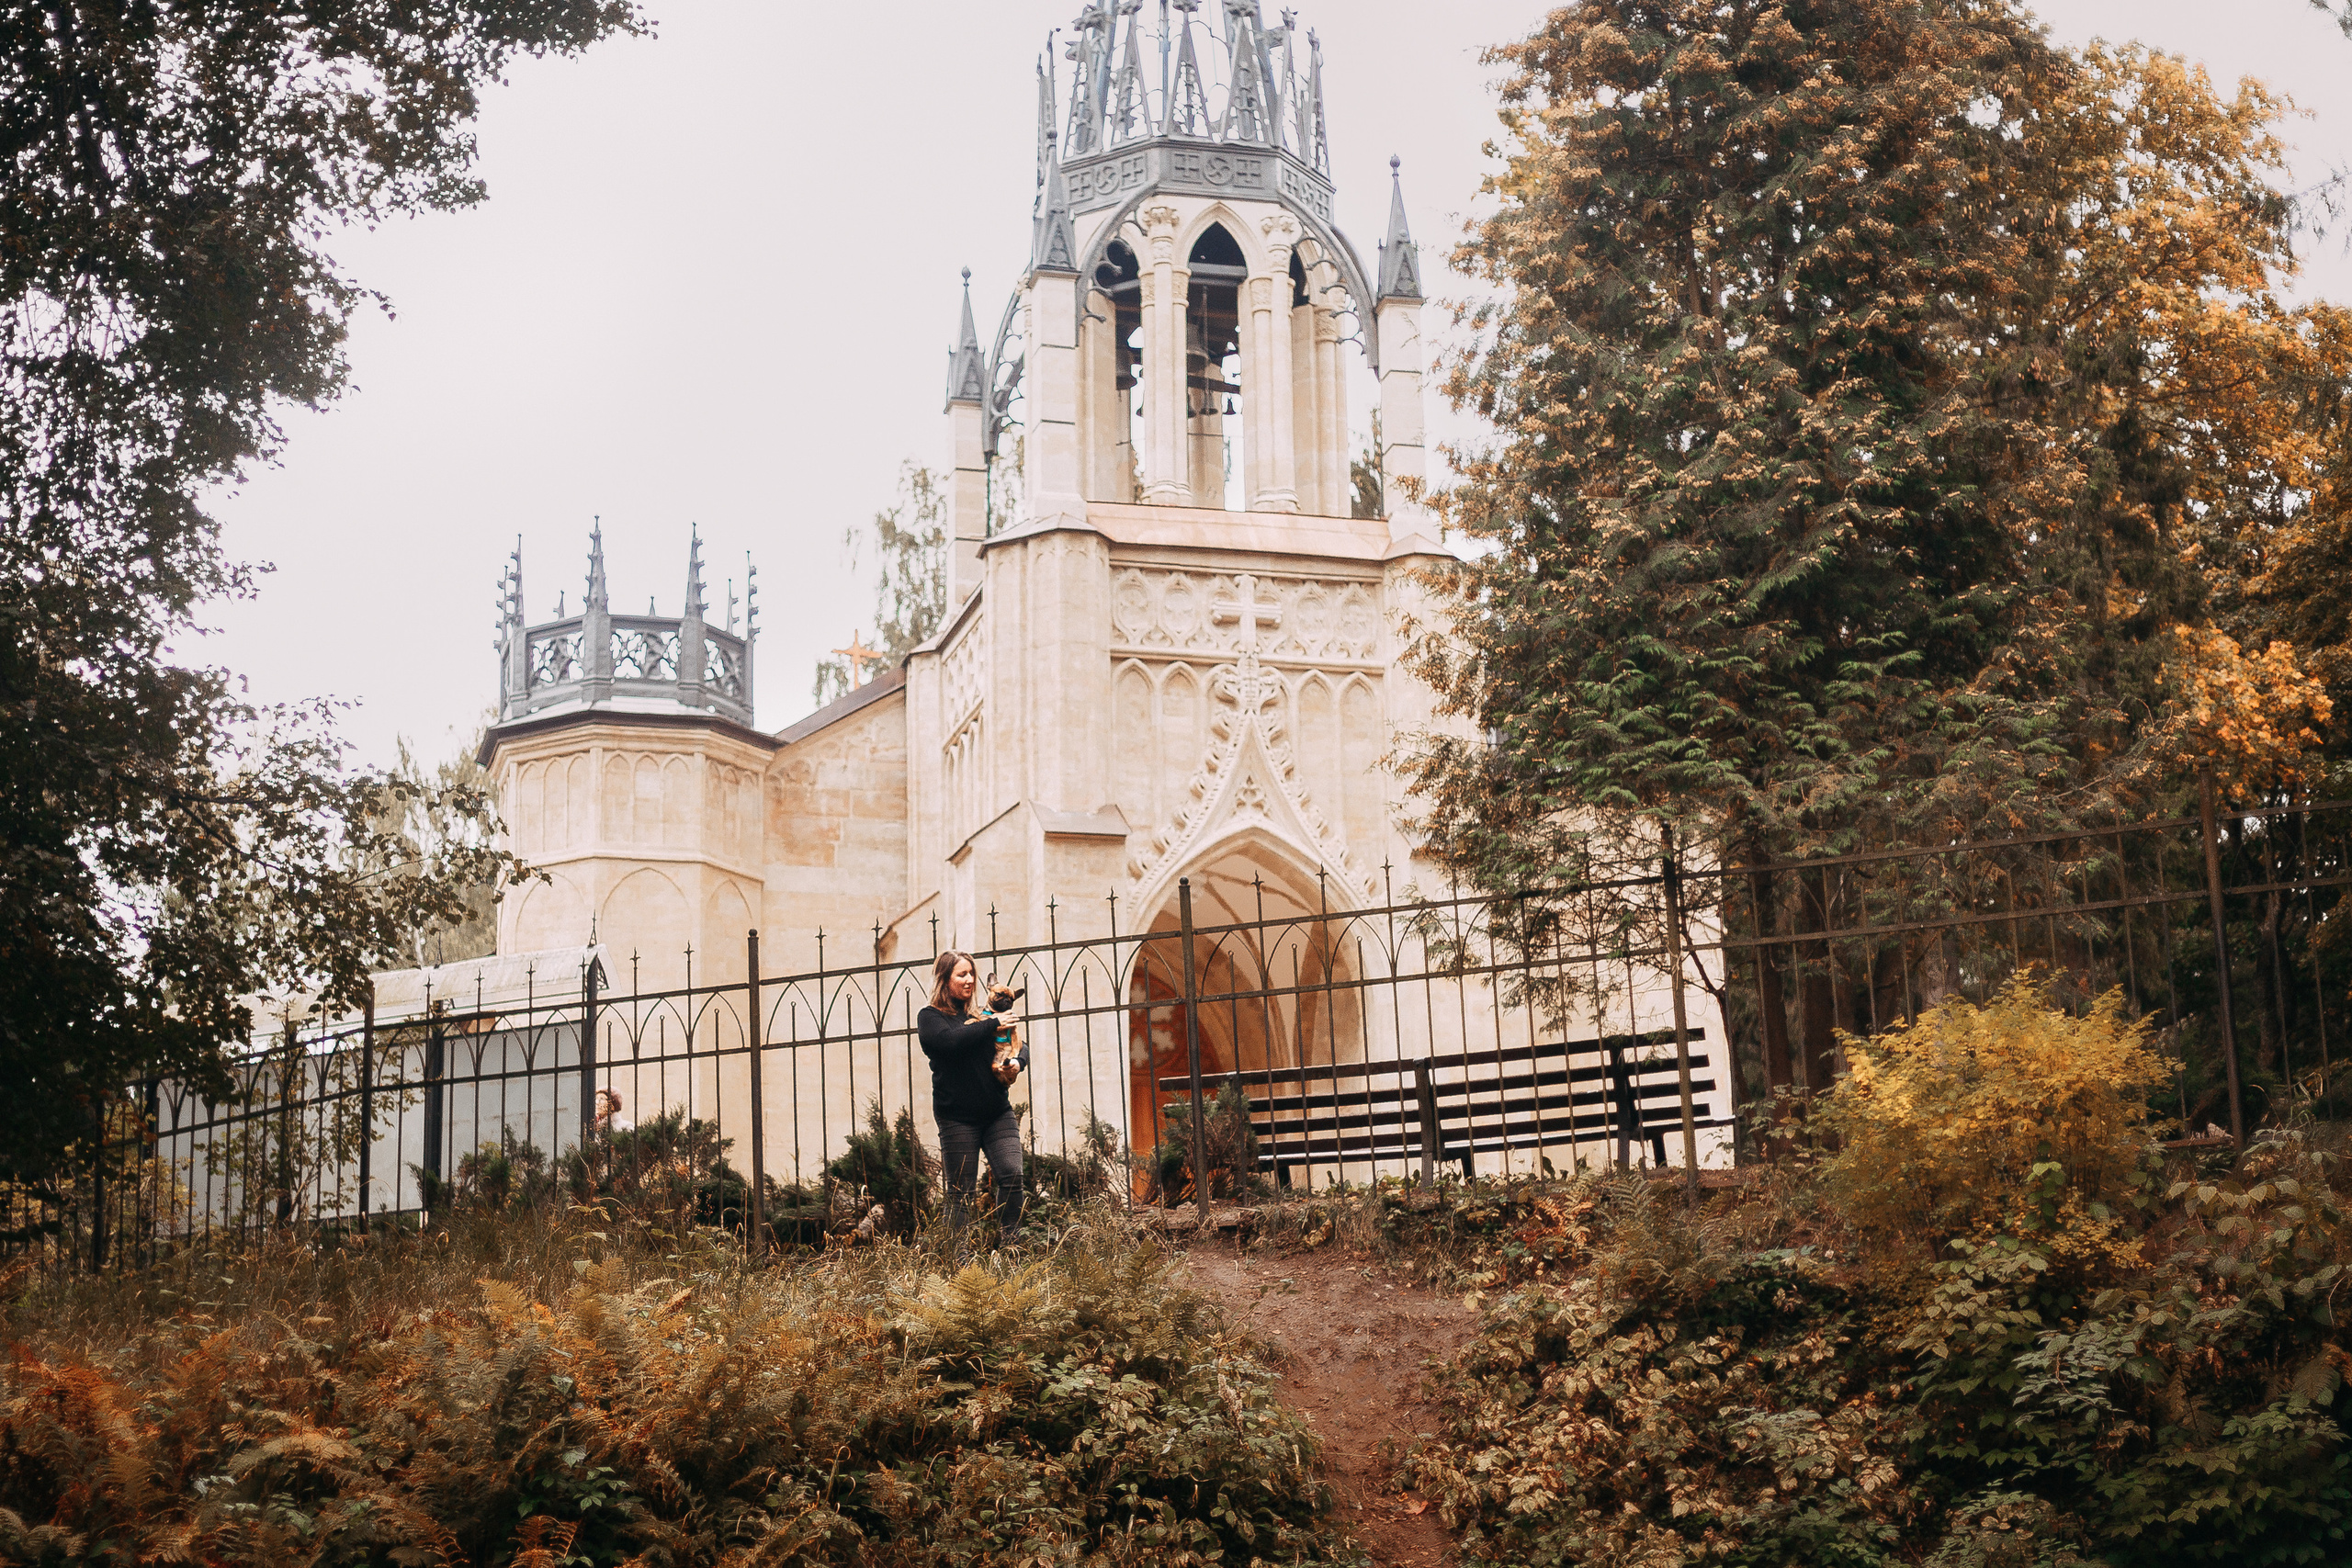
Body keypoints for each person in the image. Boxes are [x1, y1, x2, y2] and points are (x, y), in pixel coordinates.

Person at [919, 950, 1025, 1241]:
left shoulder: (981, 1015)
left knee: (1012, 1174)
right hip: (958, 1118)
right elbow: (950, 1042)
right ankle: (960, 1265)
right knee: (960, 1194)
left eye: (971, 974)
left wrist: (1018, 1061)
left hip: (996, 1113)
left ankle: (1012, 1249)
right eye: (961, 974)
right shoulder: (931, 1018)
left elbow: (1018, 1043)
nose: (969, 980)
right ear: (944, 979)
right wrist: (994, 1023)